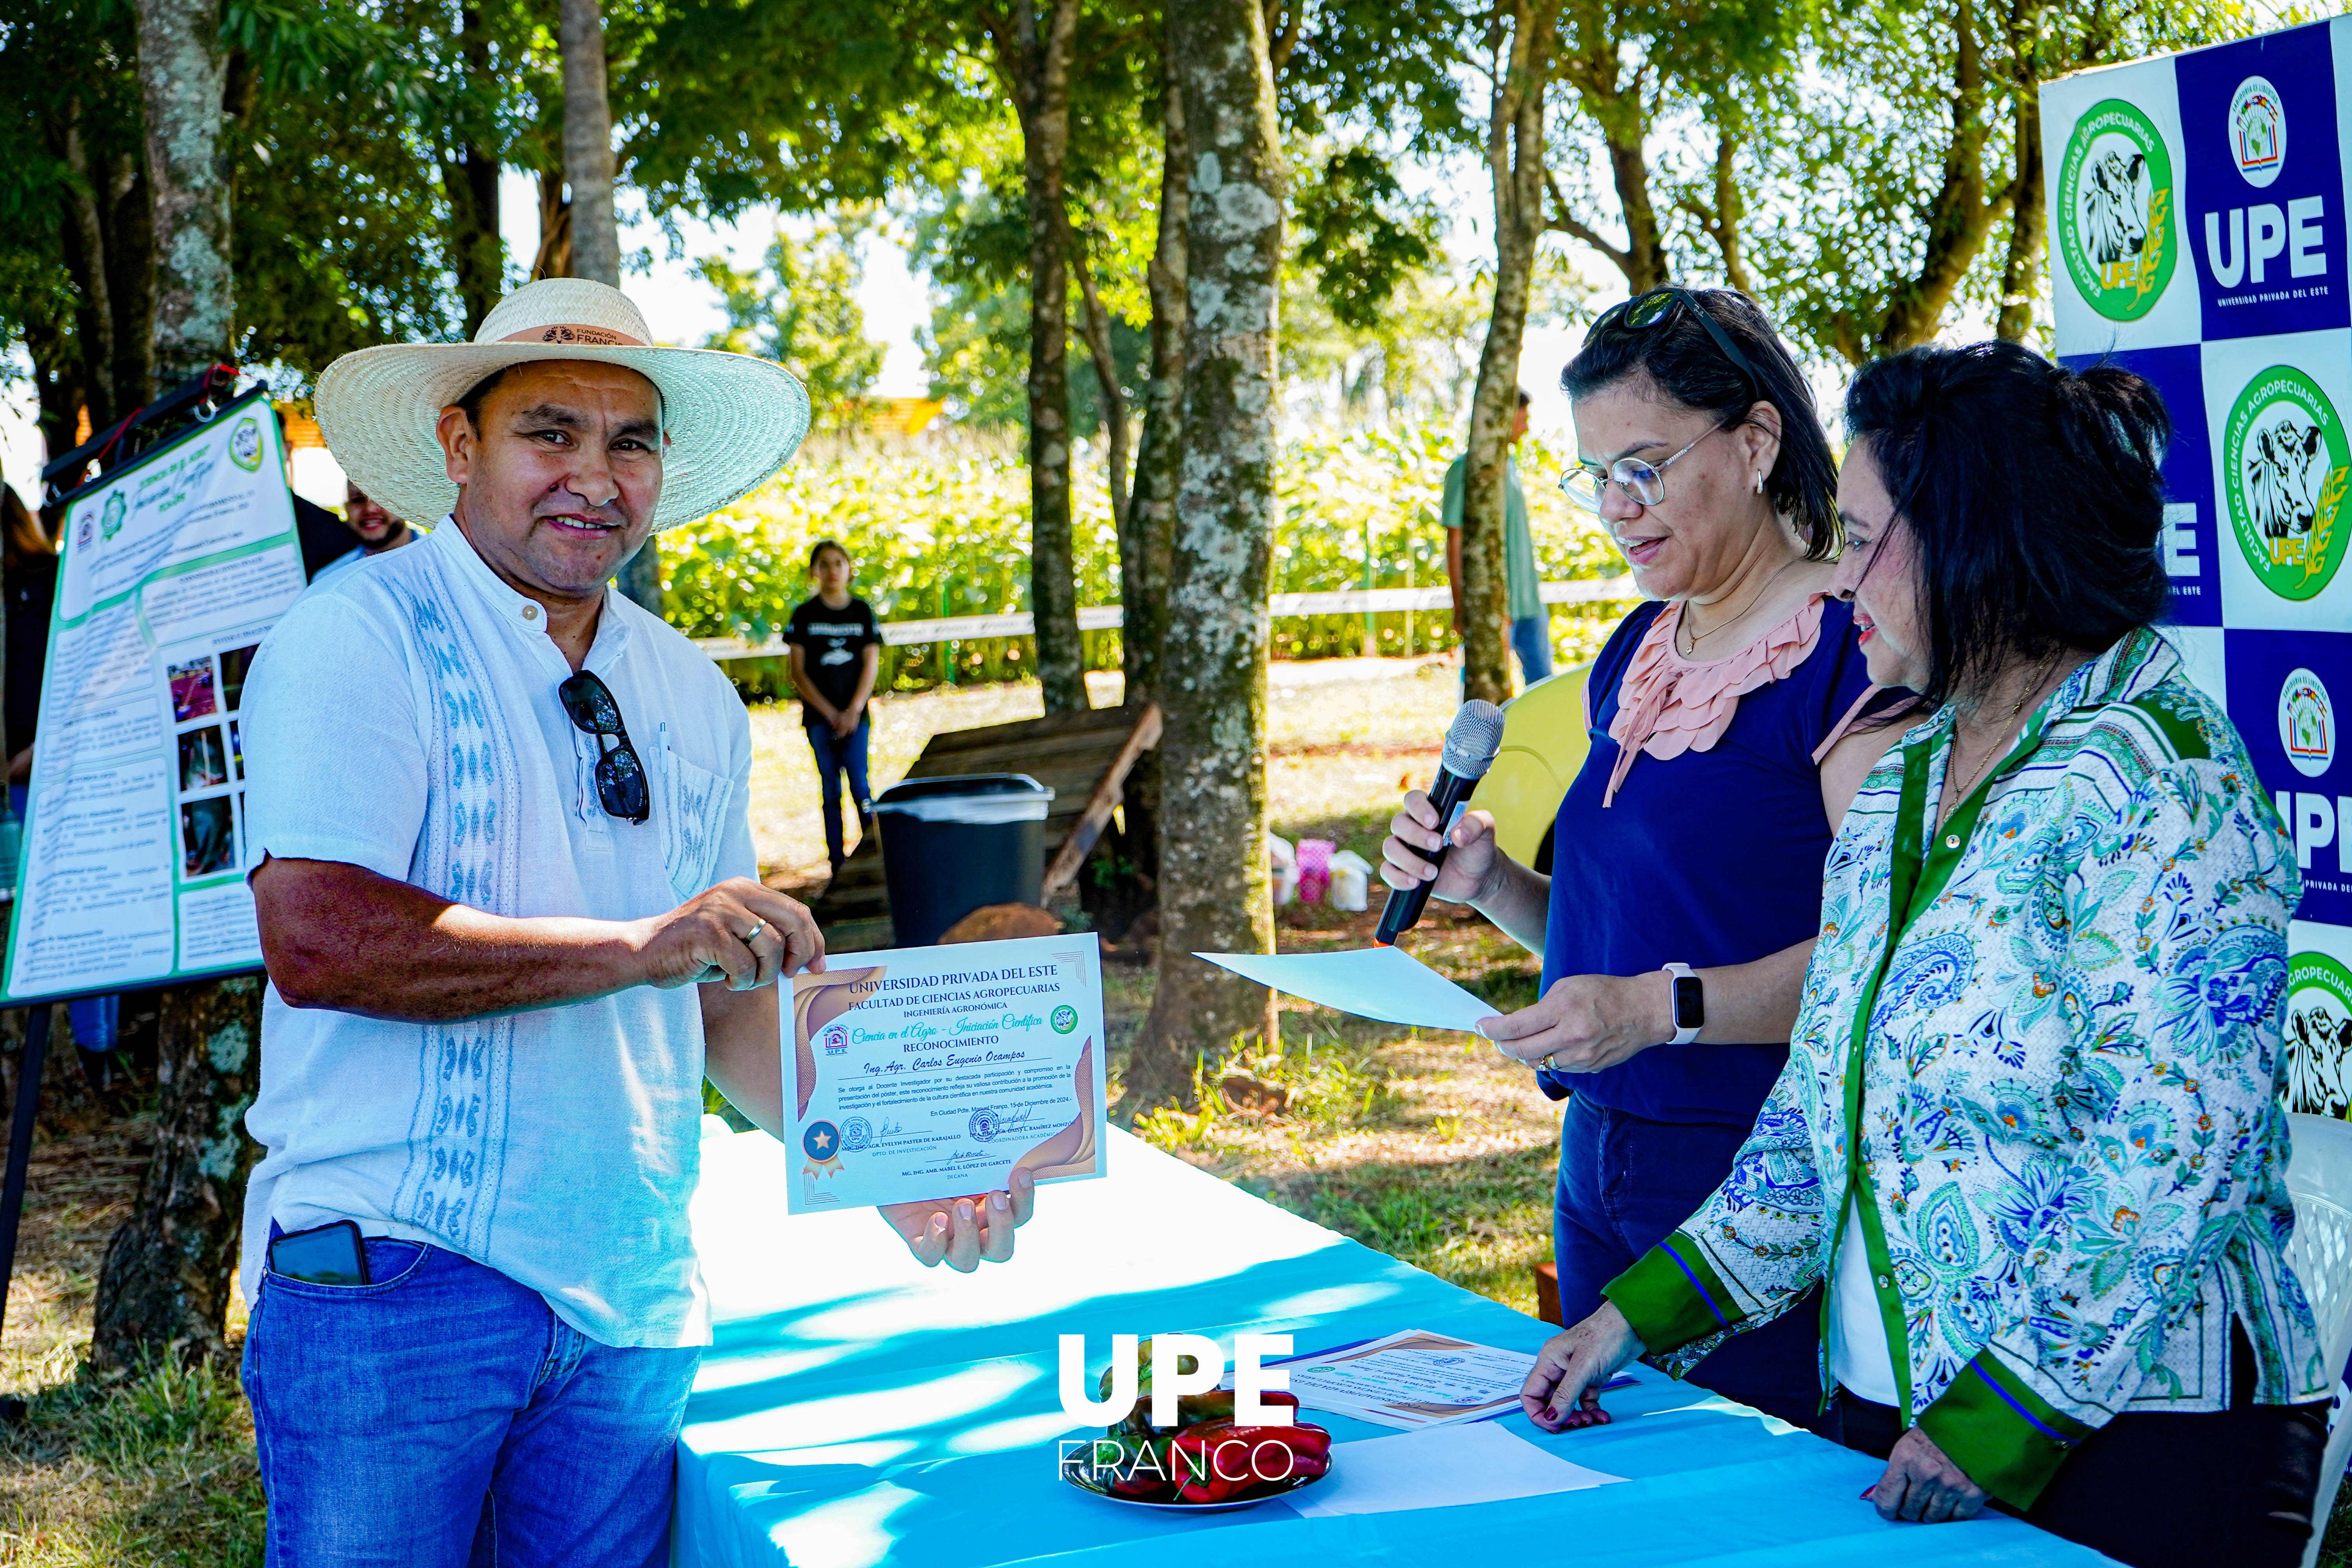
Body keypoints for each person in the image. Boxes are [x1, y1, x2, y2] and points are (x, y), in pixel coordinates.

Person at [239, 278, 1035, 1566]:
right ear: (459, 446)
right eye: (549, 433)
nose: (594, 476)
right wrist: (640, 946)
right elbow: (319, 939)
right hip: (399, 1274)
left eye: (630, 442)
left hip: (631, 1285)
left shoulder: (692, 691)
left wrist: (896, 1161)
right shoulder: (357, 636)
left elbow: (722, 1001)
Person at [1520, 342, 2330, 1568]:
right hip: (1903, 1425)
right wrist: (1629, 1322)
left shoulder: (2160, 782)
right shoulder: (1907, 777)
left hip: (2136, 1442)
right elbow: (1816, 1109)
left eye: (1859, 541)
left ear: (1973, 542)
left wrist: (1995, 1423)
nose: (1839, 581)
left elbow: (2174, 1150)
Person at [1381, 288, 1901, 1429]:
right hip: (1599, 1152)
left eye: (1645, 469)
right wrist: (1488, 884)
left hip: (1757, 1179)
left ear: (1755, 443)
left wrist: (1659, 1011)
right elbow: (1613, 934)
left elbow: (1889, 961)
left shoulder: (1849, 649)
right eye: (1596, 476)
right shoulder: (1635, 648)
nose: (1616, 508)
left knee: (1751, 1490)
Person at [2, 488, 122, 1073]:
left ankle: (96, 1051)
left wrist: (41, 750)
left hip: (50, 772)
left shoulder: (53, 580)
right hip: (13, 778)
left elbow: (94, 672)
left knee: (74, 908)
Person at [1443, 388, 1551, 684]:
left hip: (1529, 603)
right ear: (1504, 417)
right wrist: (1460, 606)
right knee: (1486, 688)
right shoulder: (1465, 470)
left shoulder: (1511, 466)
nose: (1526, 427)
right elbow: (1454, 542)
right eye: (1523, 419)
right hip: (1492, 605)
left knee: (1544, 686)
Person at [785, 539, 880, 871]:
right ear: (814, 571)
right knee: (830, 790)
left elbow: (871, 665)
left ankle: (875, 858)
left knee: (861, 785)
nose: (832, 571)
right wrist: (830, 714)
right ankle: (837, 864)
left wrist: (853, 711)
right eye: (824, 564)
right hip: (819, 719)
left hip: (857, 719)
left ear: (849, 568)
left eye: (839, 563)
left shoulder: (862, 612)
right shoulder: (804, 615)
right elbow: (797, 671)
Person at [307, 481, 414, 586]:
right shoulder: (327, 582)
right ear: (346, 508)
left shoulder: (425, 558)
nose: (370, 509)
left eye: (382, 498)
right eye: (358, 499)